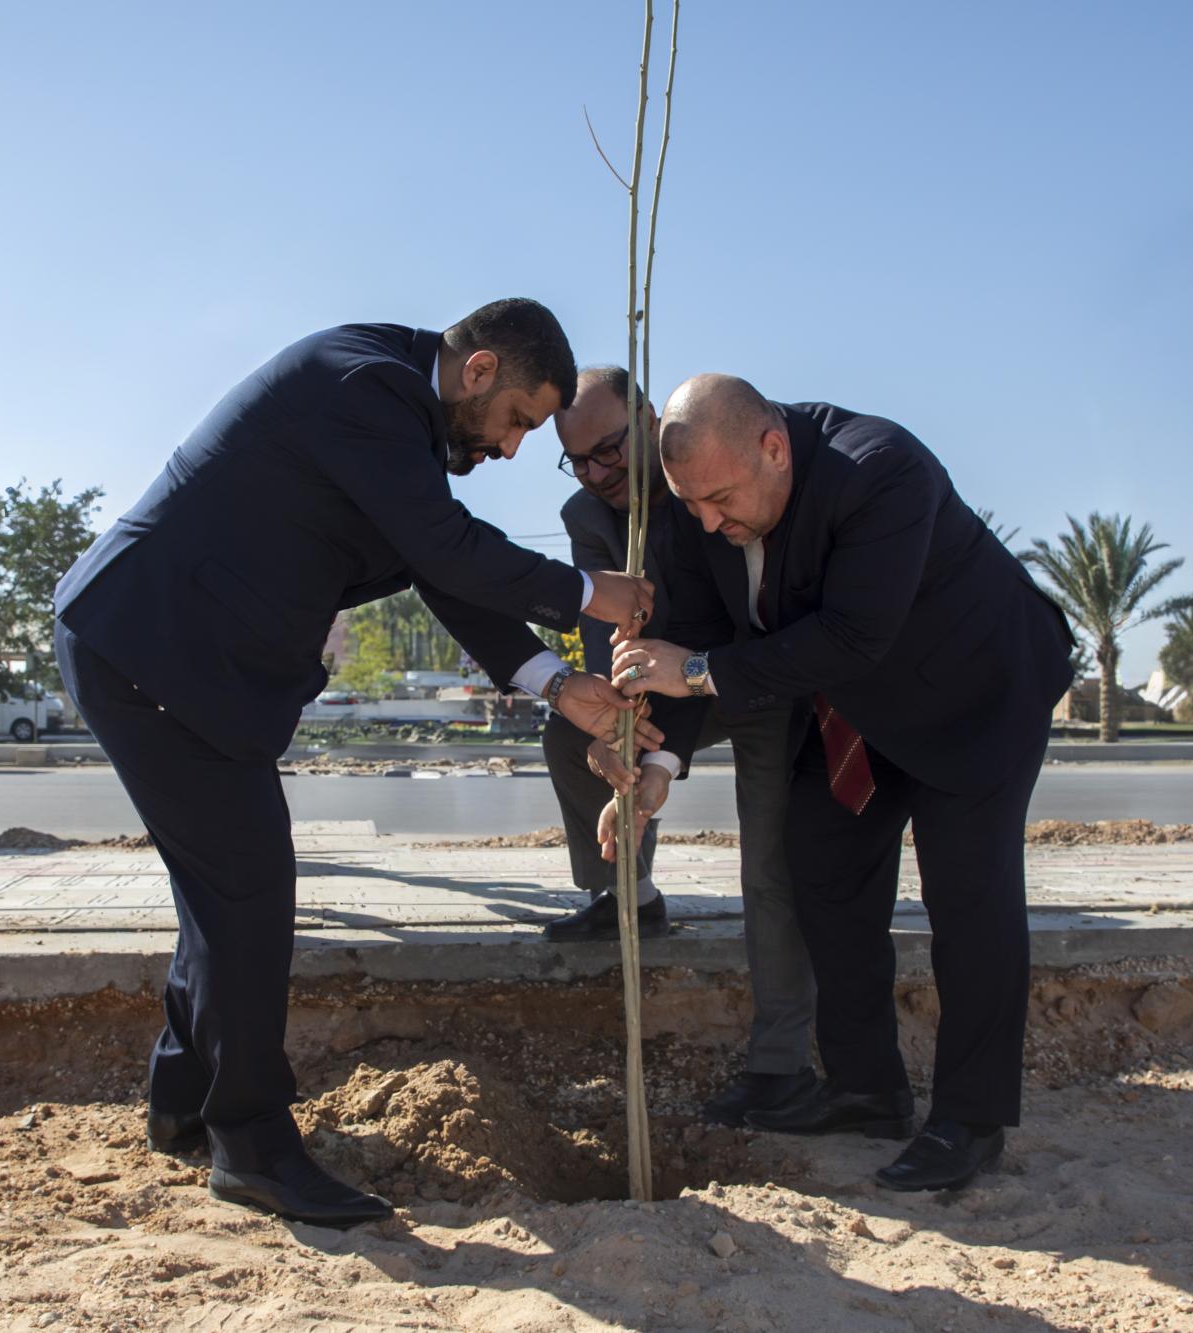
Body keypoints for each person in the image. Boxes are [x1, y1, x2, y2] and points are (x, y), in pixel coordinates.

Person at [53, 300, 658, 1227]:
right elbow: (448, 547)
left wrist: (555, 682)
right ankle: (252, 1144)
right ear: (480, 370)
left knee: (224, 892)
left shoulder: (396, 418)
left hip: (169, 656)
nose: (511, 448)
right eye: (518, 421)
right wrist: (585, 589)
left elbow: (439, 566)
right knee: (248, 890)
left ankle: (183, 1103)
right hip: (155, 648)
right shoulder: (362, 386)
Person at [607, 374, 1073, 1192]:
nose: (708, 522)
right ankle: (867, 1090)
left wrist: (699, 671)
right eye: (691, 504)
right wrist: (656, 766)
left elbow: (848, 635)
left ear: (774, 449)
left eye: (720, 500)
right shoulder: (698, 500)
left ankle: (971, 1119)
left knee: (970, 896)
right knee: (819, 862)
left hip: (976, 692)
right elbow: (697, 636)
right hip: (859, 710)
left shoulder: (881, 469)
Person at [538, 366, 820, 1126]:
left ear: (649, 420)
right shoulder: (586, 514)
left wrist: (668, 744)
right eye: (577, 461)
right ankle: (627, 895)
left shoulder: (713, 478)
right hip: (664, 677)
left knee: (770, 864)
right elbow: (607, 637)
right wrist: (617, 730)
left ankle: (781, 1062)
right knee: (569, 733)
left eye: (609, 451)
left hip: (754, 676)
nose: (597, 475)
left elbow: (726, 625)